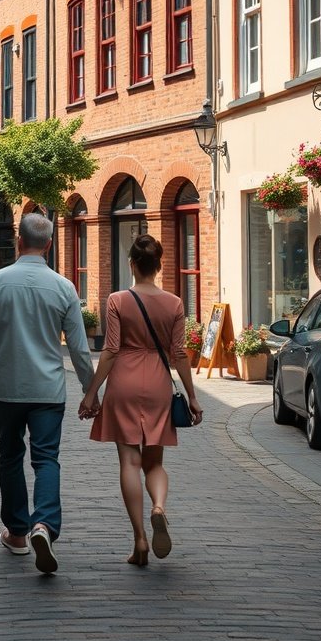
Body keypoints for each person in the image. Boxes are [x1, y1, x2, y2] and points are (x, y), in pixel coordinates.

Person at [0, 213, 96, 575]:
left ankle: (18, 533)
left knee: (10, 456)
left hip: (6, 389)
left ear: (18, 241)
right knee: (46, 459)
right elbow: (79, 349)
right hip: (48, 390)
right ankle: (44, 525)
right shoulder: (64, 288)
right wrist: (90, 390)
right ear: (49, 245)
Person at [78, 234, 203, 568]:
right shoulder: (174, 303)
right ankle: (159, 506)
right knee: (155, 463)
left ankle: (139, 540)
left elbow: (110, 350)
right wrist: (192, 396)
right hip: (159, 383)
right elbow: (179, 354)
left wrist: (91, 393)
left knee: (129, 463)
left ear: (132, 264)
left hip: (124, 381)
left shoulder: (117, 300)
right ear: (159, 266)